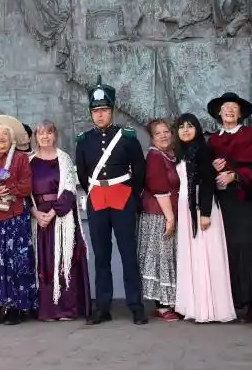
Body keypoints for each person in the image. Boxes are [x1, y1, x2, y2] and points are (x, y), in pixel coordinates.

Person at [75, 77, 148, 325]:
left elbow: (140, 170)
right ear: (91, 114)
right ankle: (103, 307)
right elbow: (84, 174)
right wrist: (96, 190)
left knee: (128, 254)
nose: (100, 115)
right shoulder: (84, 141)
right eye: (95, 111)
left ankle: (136, 306)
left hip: (123, 198)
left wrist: (130, 195)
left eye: (104, 110)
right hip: (97, 200)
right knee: (101, 255)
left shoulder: (127, 137)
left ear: (112, 111)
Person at [207, 92, 252, 328]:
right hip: (225, 205)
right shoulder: (213, 142)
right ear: (218, 113)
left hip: (248, 201)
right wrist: (211, 167)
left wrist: (236, 175)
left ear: (240, 113)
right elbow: (203, 171)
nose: (229, 110)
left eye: (234, 107)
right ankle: (247, 303)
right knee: (234, 252)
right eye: (225, 106)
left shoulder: (251, 136)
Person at [173, 114, 235, 323]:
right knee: (193, 257)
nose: (185, 130)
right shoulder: (181, 152)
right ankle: (195, 306)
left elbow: (207, 182)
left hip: (201, 209)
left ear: (197, 129)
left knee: (206, 256)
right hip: (185, 208)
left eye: (190, 126)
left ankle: (211, 309)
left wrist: (205, 213)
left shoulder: (202, 149)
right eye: (181, 127)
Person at [0, 114, 38, 325]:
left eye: (5, 133)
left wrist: (1, 190)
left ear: (12, 138)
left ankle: (17, 308)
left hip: (13, 218)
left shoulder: (20, 158)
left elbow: (26, 186)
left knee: (15, 262)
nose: (1, 137)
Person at [29, 120, 91, 321]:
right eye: (40, 133)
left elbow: (69, 190)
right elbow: (23, 193)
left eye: (48, 133)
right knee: (44, 263)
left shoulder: (64, 159)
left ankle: (66, 310)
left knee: (64, 262)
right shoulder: (29, 162)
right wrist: (36, 214)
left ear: (54, 135)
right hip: (39, 219)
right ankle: (47, 310)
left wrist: (53, 213)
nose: (44, 137)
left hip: (61, 218)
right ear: (35, 137)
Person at [137, 119, 179, 321]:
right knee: (161, 258)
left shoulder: (169, 155)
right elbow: (159, 188)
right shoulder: (155, 157)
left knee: (169, 257)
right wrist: (170, 218)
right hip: (158, 215)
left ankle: (170, 300)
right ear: (152, 138)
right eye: (158, 133)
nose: (163, 135)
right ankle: (162, 305)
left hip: (169, 212)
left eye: (166, 131)